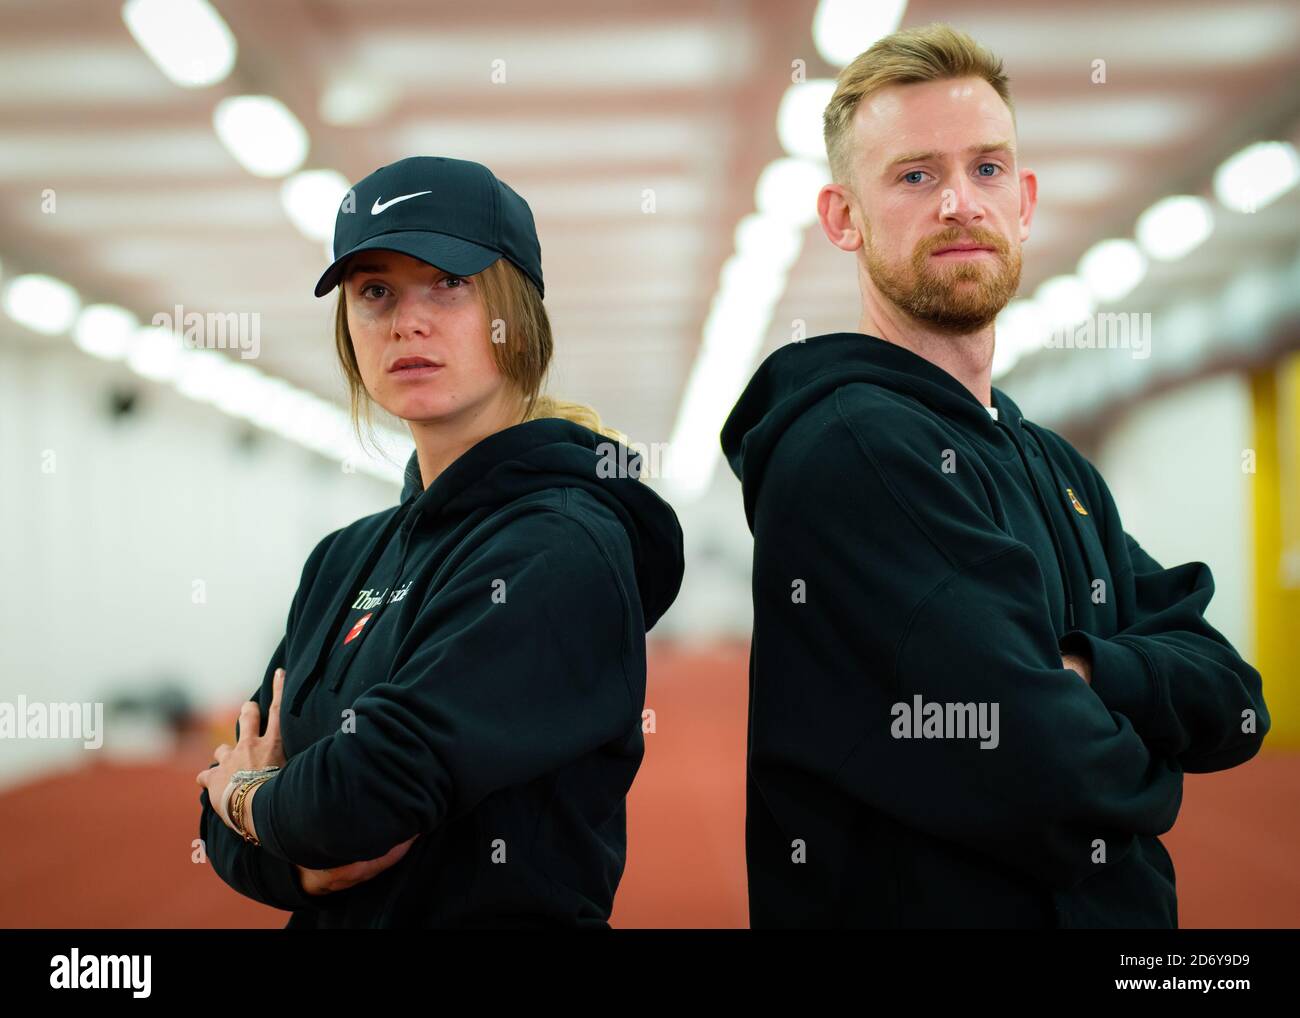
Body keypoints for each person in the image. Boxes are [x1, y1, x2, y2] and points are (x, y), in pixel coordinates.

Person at [719, 23, 1269, 928]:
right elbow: (1037, 755)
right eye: (915, 175)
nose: (959, 204)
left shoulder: (1054, 465)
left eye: (986, 169)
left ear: (1025, 201)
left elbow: (1233, 692)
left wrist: (1087, 670)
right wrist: (1150, 752)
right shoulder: (855, 449)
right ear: (842, 218)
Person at [195, 155, 684, 928]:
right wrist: (298, 865)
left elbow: (357, 799)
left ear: (517, 313)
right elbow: (218, 810)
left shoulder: (562, 545)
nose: (405, 321)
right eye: (375, 292)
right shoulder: (343, 559)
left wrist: (252, 800)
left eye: (448, 284)